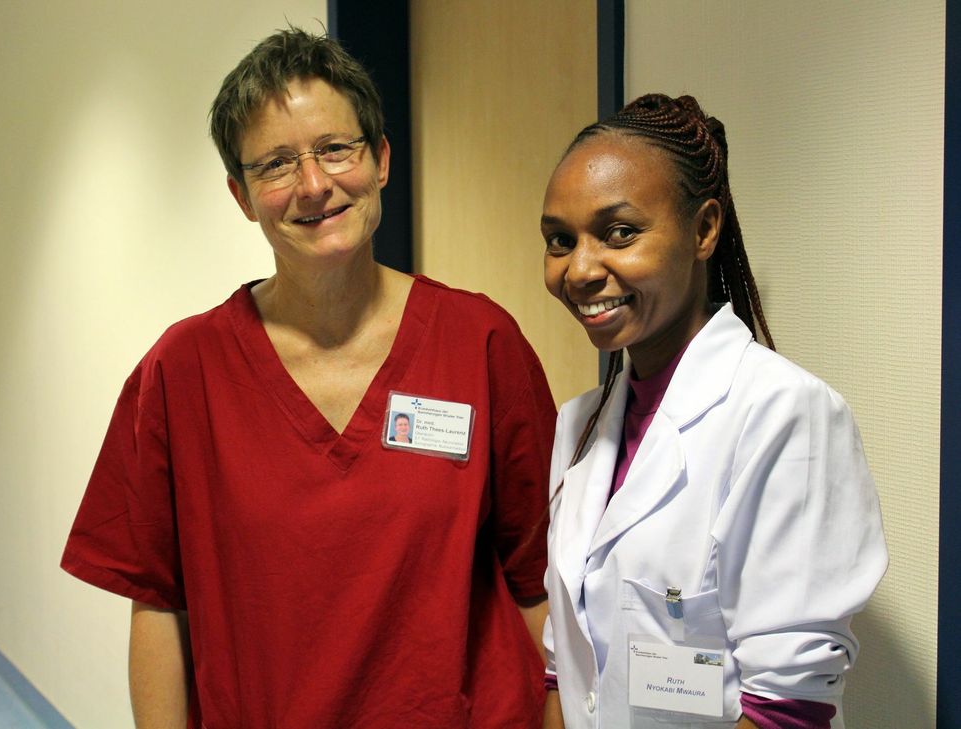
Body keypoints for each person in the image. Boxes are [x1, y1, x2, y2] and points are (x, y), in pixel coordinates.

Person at [60, 27, 557, 729]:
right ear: (241, 195)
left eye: (335, 149)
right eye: (276, 164)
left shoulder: (480, 342)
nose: (315, 185)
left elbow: (538, 579)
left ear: (381, 159)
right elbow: (157, 603)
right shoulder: (182, 373)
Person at [537, 94, 887, 728]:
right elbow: (567, 664)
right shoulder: (578, 426)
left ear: (703, 230)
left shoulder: (785, 415)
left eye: (619, 233)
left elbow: (787, 709)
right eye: (561, 240)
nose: (580, 269)